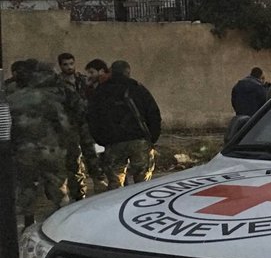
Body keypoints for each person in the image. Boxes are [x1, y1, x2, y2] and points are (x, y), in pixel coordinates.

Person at [7, 59, 73, 226]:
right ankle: (61, 223)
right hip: (51, 150)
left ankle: (28, 224)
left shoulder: (12, 99)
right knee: (58, 189)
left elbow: (7, 127)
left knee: (26, 189)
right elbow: (63, 125)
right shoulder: (50, 98)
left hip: (24, 152)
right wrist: (67, 147)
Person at [87, 60, 162, 189]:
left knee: (115, 183)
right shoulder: (137, 88)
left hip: (113, 142)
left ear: (111, 72)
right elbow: (153, 114)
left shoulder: (101, 91)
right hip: (139, 141)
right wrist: (151, 138)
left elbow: (93, 117)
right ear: (128, 72)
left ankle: (117, 207)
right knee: (143, 184)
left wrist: (101, 140)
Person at [58, 53, 107, 200]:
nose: (69, 67)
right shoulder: (57, 83)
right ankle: (79, 193)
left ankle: (99, 182)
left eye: (71, 63)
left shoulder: (83, 80)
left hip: (86, 123)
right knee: (73, 160)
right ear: (60, 66)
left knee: (92, 154)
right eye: (65, 64)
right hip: (69, 125)